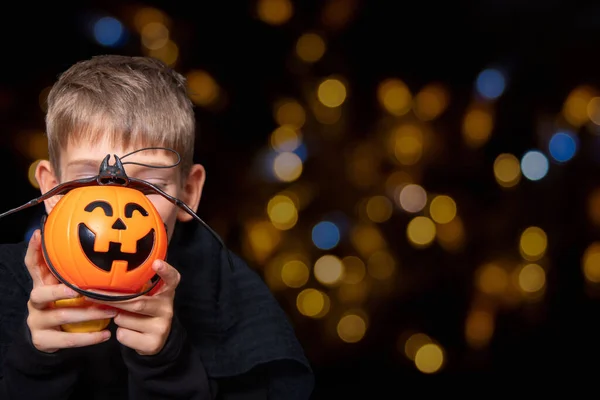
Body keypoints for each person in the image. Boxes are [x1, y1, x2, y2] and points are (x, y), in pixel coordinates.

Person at [0, 55, 314, 399]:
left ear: (189, 193)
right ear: (50, 190)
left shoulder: (225, 288)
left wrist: (167, 362)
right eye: (91, 180)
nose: (117, 211)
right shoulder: (7, 280)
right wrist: (36, 358)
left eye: (148, 186)